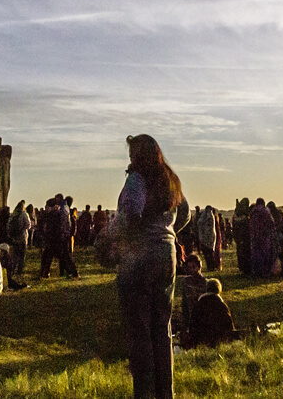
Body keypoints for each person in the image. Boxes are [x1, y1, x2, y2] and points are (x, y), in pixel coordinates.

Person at [108, 134, 190, 399]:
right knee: (162, 330)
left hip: (140, 258)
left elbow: (130, 214)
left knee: (140, 330)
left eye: (132, 154)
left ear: (139, 156)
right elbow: (186, 213)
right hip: (167, 257)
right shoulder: (170, 180)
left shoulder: (137, 179)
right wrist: (167, 233)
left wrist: (114, 240)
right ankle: (165, 393)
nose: (130, 159)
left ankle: (144, 393)